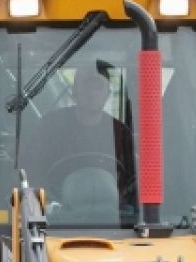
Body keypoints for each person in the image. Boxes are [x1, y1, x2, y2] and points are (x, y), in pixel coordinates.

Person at [27, 61, 136, 222]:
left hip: (114, 221)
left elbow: (131, 181)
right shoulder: (50, 127)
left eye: (98, 86)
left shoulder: (120, 133)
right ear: (73, 92)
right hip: (58, 218)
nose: (92, 93)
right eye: (86, 86)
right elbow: (31, 171)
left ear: (107, 94)